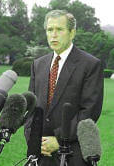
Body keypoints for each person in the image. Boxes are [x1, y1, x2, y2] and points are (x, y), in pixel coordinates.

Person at [24, 10, 103, 166]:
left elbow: (89, 111)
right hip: (40, 153)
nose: (53, 35)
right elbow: (31, 107)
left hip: (73, 153)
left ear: (72, 33)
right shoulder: (38, 64)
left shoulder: (90, 65)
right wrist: (34, 141)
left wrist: (59, 140)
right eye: (49, 29)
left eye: (59, 29)